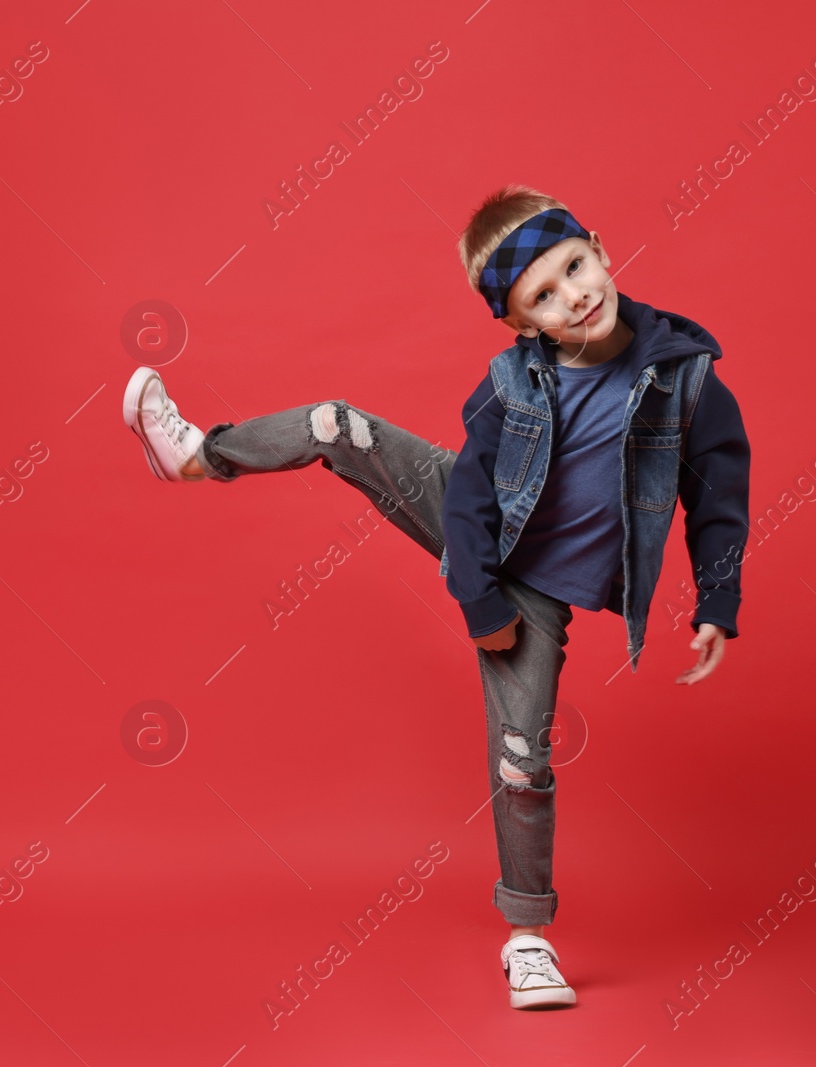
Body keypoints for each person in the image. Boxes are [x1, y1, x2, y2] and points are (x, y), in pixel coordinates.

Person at [122, 184, 752, 1010]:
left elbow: (718, 494)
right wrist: (479, 604)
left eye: (574, 266)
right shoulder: (511, 384)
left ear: (598, 245)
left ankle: (527, 938)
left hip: (539, 593)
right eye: (546, 296)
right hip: (482, 540)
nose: (576, 294)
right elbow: (469, 504)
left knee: (522, 758)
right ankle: (199, 455)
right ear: (521, 323)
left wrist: (716, 598)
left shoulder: (686, 378)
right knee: (337, 424)